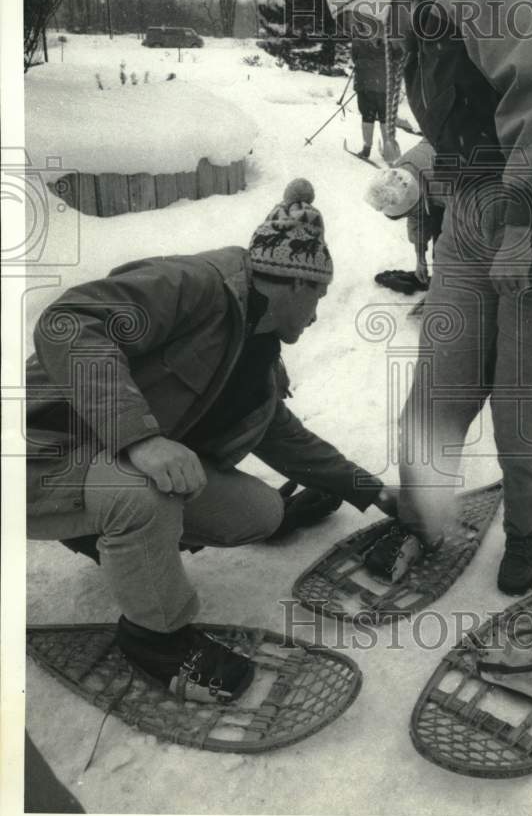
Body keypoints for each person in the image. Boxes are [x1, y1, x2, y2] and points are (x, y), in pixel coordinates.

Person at [313, 0, 532, 594]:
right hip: (474, 216)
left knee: (523, 397)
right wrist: (416, 172)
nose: (363, 35)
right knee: (438, 383)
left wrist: (523, 227)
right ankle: (422, 514)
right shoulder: (418, 42)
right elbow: (467, 139)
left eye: (360, 20)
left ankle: (529, 532)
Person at [26, 179, 395, 702]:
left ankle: (99, 533)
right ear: (295, 284)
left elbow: (282, 436)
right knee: (144, 494)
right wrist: (141, 439)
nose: (317, 315)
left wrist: (372, 491)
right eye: (319, 296)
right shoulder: (195, 284)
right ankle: (157, 639)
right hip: (40, 453)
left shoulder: (258, 345)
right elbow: (68, 323)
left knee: (261, 512)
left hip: (107, 461)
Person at [365, 136, 444, 294]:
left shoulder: (442, 182)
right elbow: (417, 218)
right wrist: (420, 258)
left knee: (448, 241)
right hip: (433, 186)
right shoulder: (399, 176)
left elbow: (458, 227)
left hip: (468, 175)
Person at [350, 33, 400, 162]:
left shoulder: (359, 36)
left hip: (367, 83)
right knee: (384, 117)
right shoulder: (389, 34)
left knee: (368, 115)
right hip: (382, 84)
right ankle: (388, 150)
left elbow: (354, 57)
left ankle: (367, 147)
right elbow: (398, 55)